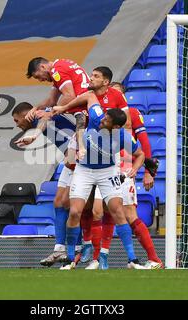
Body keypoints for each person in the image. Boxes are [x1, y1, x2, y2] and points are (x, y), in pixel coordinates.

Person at [53, 92, 147, 270]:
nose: (101, 120)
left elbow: (140, 153)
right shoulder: (96, 117)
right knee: (74, 212)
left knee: (117, 211)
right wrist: (64, 108)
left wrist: (135, 169)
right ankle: (70, 259)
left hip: (107, 171)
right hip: (84, 170)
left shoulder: (123, 138)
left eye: (106, 120)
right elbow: (88, 96)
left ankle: (132, 260)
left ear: (116, 126)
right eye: (104, 117)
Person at [12, 102, 77, 266]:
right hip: (71, 160)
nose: (17, 125)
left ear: (25, 115)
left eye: (16, 120)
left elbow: (46, 119)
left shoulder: (41, 116)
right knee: (58, 203)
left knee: (73, 206)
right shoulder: (40, 119)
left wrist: (34, 135)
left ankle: (79, 247)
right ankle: (60, 248)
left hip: (79, 160)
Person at [25, 57, 89, 158]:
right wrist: (35, 108)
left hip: (85, 111)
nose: (40, 80)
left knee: (76, 157)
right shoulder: (60, 66)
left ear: (43, 67)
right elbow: (52, 100)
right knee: (74, 158)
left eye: (38, 76)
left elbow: (69, 96)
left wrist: (50, 112)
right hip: (85, 109)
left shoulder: (56, 71)